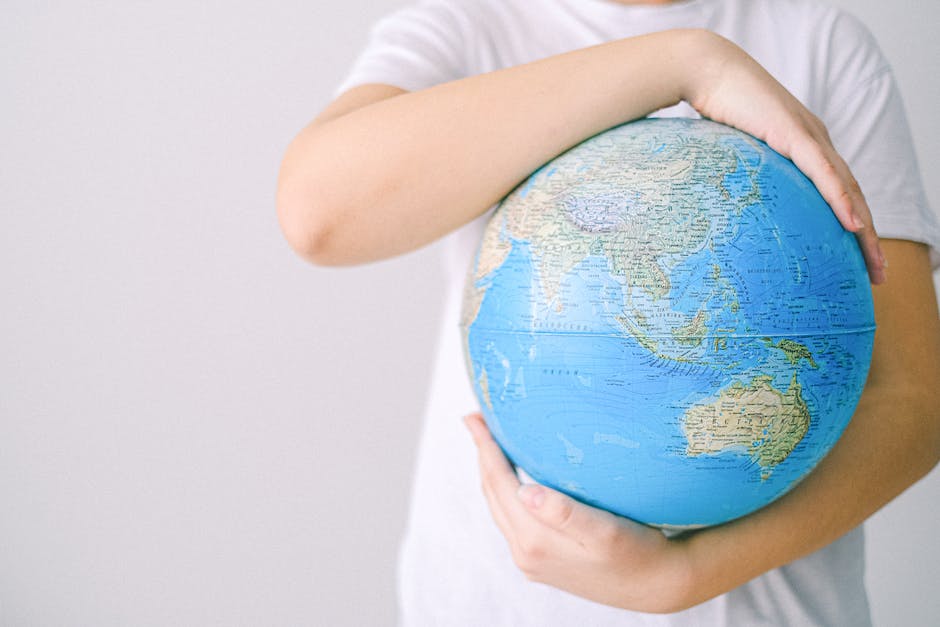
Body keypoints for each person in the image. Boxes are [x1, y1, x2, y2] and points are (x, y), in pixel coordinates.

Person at [276, 0, 940, 624]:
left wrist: (683, 577)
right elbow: (315, 212)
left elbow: (913, 398)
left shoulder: (820, 44)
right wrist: (687, 63)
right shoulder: (467, 27)